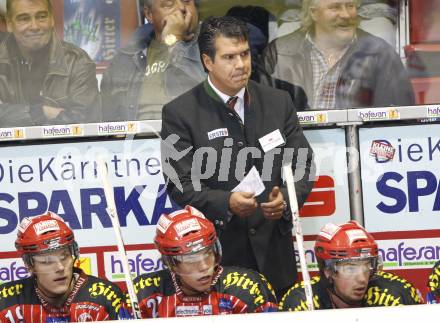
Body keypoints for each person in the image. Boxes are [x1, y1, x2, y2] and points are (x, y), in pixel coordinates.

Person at [161, 16, 315, 298]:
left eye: (244, 54)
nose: (241, 64)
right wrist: (226, 202)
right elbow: (180, 184)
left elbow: (302, 164)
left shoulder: (279, 102)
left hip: (276, 257)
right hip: (220, 260)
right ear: (208, 61)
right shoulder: (180, 113)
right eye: (229, 57)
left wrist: (288, 201)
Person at [262, 0, 415, 110]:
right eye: (335, 7)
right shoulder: (278, 52)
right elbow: (264, 117)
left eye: (350, 6)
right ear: (314, 13)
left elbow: (399, 118)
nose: (346, 14)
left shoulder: (380, 54)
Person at [132, 205, 277, 318]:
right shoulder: (143, 293)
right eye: (190, 259)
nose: (204, 266)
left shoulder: (248, 287)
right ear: (172, 264)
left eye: (207, 254)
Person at [0, 211, 128, 321]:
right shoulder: (5, 301)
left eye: (64, 257)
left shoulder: (106, 297)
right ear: (29, 264)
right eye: (47, 261)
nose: (60, 268)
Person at [279, 221, 423, 311]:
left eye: (366, 267)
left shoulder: (396, 295)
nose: (361, 279)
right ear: (328, 271)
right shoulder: (301, 302)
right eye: (350, 268)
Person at [100, 0, 205, 121]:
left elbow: (208, 101)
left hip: (187, 135)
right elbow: (109, 119)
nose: (181, 7)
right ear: (149, 14)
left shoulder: (211, 45)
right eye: (169, 4)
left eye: (186, 1)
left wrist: (175, 40)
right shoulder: (126, 57)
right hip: (137, 137)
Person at [0, 0, 99, 127]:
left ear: (52, 19)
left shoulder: (77, 62)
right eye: (24, 19)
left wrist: (13, 114)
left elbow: (87, 123)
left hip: (63, 146)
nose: (34, 26)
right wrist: (39, 112)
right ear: (9, 24)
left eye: (41, 17)